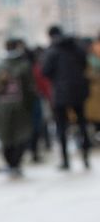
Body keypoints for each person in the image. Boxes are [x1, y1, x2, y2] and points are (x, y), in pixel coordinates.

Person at [0, 38, 35, 177]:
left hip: (4, 108)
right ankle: (14, 163)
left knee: (9, 136)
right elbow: (30, 89)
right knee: (17, 136)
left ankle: (12, 163)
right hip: (16, 107)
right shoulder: (22, 65)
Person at [42, 25, 90, 170]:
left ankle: (65, 160)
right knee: (82, 124)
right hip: (78, 91)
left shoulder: (52, 50)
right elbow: (85, 63)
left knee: (61, 127)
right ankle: (85, 157)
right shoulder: (76, 47)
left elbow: (46, 71)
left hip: (61, 92)